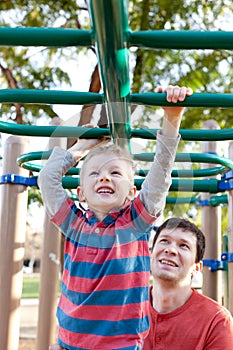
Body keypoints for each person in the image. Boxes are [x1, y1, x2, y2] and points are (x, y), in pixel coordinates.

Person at [38, 85, 193, 350]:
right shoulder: (74, 224)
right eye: (95, 174)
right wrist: (82, 147)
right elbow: (47, 178)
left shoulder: (135, 223)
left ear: (132, 192)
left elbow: (160, 174)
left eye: (115, 173)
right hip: (69, 343)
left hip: (119, 345)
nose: (105, 177)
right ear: (81, 193)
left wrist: (172, 119)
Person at [143, 217, 233, 350]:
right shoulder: (123, 306)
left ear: (196, 267)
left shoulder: (216, 321)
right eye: (164, 241)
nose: (170, 250)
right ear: (150, 254)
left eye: (183, 245)